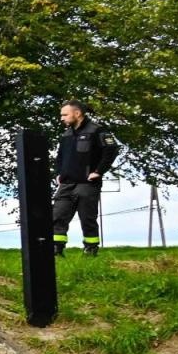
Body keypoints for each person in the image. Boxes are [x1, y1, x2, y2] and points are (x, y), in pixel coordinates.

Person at [53, 100, 121, 257]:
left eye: (65, 114)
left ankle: (90, 249)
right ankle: (56, 250)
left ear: (77, 114)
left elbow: (111, 150)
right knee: (57, 216)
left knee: (87, 218)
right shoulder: (66, 134)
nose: (62, 118)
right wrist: (58, 173)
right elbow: (60, 156)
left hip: (87, 184)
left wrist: (99, 171)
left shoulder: (97, 130)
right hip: (66, 183)